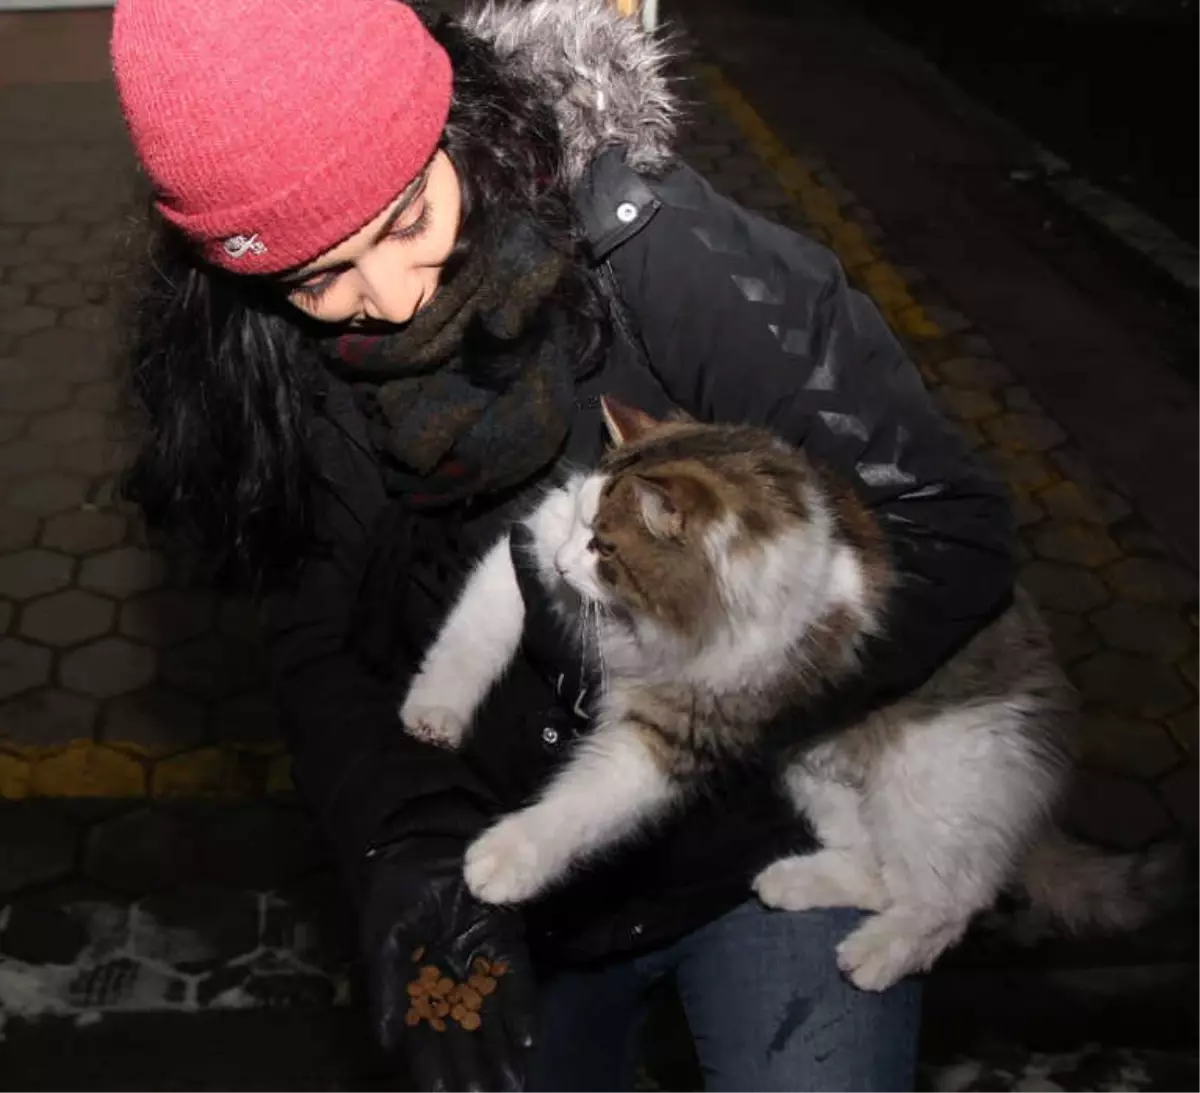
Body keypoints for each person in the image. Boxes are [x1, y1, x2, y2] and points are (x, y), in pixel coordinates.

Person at [109, 0, 1015, 1090]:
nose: (387, 300)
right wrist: (408, 846)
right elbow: (322, 645)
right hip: (529, 878)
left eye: (405, 221)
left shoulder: (663, 259)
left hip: (773, 838)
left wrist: (709, 713)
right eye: (316, 278)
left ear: (455, 129)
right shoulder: (274, 369)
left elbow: (947, 529)